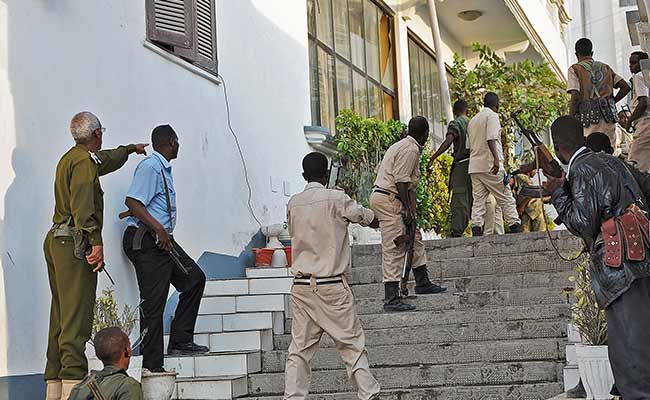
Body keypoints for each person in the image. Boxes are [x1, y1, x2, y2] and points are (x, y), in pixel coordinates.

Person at [544, 116, 650, 399]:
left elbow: (582, 223)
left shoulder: (581, 170)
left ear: (557, 147)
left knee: (629, 348)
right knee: (640, 340)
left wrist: (557, 193)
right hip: (641, 257)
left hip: (619, 267)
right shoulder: (611, 161)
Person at [44, 112, 147, 400]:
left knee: (61, 319)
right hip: (74, 245)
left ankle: (53, 390)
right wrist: (95, 242)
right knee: (76, 323)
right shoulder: (83, 163)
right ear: (98, 134)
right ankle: (70, 393)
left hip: (57, 241)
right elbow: (82, 204)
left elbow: (106, 160)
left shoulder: (73, 158)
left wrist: (128, 150)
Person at [283, 152, 380, 400]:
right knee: (351, 345)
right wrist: (375, 219)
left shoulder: (293, 203)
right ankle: (369, 394)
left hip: (302, 287)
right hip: (332, 285)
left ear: (304, 175)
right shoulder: (336, 198)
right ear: (326, 174)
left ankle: (293, 397)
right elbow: (362, 216)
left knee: (299, 351)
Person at [123, 125, 207, 373]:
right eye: (177, 141)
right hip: (147, 240)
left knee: (194, 279)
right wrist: (159, 229)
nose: (179, 145)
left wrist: (162, 231)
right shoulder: (150, 167)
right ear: (170, 142)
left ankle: (181, 340)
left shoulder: (163, 169)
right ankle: (152, 367)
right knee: (154, 303)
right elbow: (132, 201)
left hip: (161, 239)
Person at [370, 116, 447, 313]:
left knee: (415, 238)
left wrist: (412, 212)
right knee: (394, 245)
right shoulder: (410, 149)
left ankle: (422, 282)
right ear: (425, 134)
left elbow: (410, 187)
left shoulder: (405, 146)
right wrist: (405, 208)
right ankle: (392, 297)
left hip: (392, 196)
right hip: (390, 198)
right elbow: (401, 181)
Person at [467, 92, 521, 236]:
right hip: (491, 165)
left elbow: (469, 146)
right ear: (496, 105)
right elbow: (491, 138)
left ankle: (476, 228)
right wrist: (496, 159)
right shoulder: (492, 116)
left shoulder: (473, 120)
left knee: (478, 201)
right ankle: (514, 224)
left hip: (475, 167)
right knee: (505, 196)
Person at [567, 38, 630, 148]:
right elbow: (625, 87)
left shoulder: (575, 69)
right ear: (592, 53)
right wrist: (611, 101)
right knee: (609, 151)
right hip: (608, 117)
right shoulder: (605, 67)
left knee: (591, 153)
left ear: (576, 54)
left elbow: (575, 95)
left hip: (588, 120)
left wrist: (570, 119)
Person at [428, 100, 472, 237]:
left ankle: (457, 231)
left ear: (454, 111)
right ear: (467, 110)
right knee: (473, 197)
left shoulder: (456, 123)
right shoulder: (473, 123)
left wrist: (433, 157)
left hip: (462, 165)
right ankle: (477, 227)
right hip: (475, 166)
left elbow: (449, 140)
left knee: (459, 198)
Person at [68, 327, 143, 400]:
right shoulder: (128, 386)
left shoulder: (79, 388)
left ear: (98, 355)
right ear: (127, 351)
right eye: (129, 346)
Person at [624, 51, 650, 173]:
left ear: (642, 64)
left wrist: (630, 120)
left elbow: (643, 102)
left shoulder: (639, 76)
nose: (630, 66)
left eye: (633, 63)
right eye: (630, 62)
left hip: (645, 126)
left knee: (634, 165)